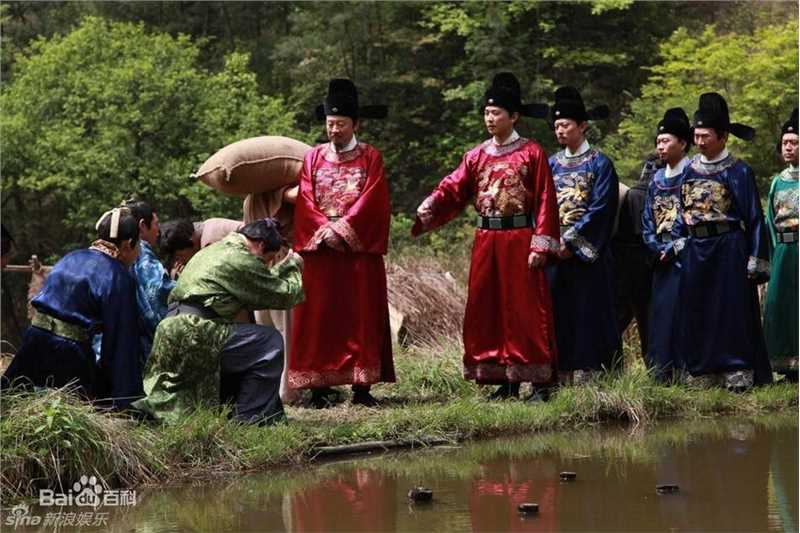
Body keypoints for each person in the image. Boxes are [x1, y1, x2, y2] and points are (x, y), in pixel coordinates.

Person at [413, 72, 559, 401]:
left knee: (525, 309)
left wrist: (540, 243)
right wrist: (432, 203)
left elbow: (547, 200)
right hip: (485, 239)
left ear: (514, 116)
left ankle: (538, 382)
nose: (490, 119)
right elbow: (455, 186)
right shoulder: (476, 155)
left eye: (496, 114)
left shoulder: (532, 153)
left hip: (520, 238)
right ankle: (503, 381)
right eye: (486, 113)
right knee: (487, 307)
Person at [288, 78, 394, 408]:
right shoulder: (313, 158)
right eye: (330, 124)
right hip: (320, 251)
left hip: (356, 250)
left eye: (341, 124)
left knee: (360, 315)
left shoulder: (370, 157)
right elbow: (305, 196)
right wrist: (323, 230)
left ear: (355, 124)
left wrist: (343, 230)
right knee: (320, 316)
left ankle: (361, 388)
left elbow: (374, 199)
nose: (334, 130)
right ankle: (319, 386)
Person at [135, 219, 304, 424]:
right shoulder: (242, 258)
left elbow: (256, 284)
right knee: (268, 342)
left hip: (169, 328)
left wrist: (280, 268)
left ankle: (227, 412)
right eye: (268, 259)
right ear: (260, 245)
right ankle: (252, 420)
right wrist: (294, 266)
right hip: (195, 330)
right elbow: (283, 294)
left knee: (172, 391)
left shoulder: (213, 250)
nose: (266, 264)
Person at [2, 207, 144, 409]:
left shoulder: (71, 257)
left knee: (11, 402)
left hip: (35, 339)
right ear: (128, 244)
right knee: (76, 411)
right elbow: (121, 342)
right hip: (69, 353)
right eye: (138, 245)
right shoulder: (119, 277)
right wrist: (123, 398)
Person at [676, 92, 771, 390]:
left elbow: (755, 218)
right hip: (695, 249)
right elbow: (680, 209)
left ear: (723, 137)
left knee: (731, 310)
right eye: (697, 135)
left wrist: (755, 259)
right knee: (696, 308)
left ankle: (737, 371)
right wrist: (680, 242)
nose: (700, 141)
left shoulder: (738, 171)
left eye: (706, 135)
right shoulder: (688, 169)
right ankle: (701, 370)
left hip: (728, 246)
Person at [547, 86, 621, 384]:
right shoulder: (550, 164)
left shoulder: (600, 164)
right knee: (557, 312)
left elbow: (602, 208)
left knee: (590, 311)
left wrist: (572, 241)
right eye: (556, 126)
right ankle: (558, 373)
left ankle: (595, 373)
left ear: (583, 126)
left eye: (565, 125)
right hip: (555, 250)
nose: (560, 131)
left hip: (588, 252)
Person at [641, 108, 692, 381]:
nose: (660, 146)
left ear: (683, 143)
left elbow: (695, 218)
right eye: (658, 142)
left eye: (666, 141)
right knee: (659, 313)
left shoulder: (693, 173)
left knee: (683, 311)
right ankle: (661, 372)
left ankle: (687, 370)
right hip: (660, 256)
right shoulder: (656, 180)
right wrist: (654, 245)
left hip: (685, 256)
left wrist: (675, 247)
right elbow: (648, 218)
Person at [93, 199, 174, 363]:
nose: (159, 231)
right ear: (142, 226)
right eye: (156, 224)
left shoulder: (98, 256)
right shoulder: (139, 251)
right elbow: (156, 295)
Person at [613, 153, 660, 360]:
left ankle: (608, 364)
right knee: (645, 317)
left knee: (626, 317)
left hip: (627, 263)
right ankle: (655, 365)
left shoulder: (631, 193)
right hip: (640, 262)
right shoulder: (637, 194)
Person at [763, 108, 798, 382]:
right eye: (786, 143)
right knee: (780, 304)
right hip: (783, 251)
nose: (789, 147)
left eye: (795, 142)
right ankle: (787, 366)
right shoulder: (777, 181)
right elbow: (769, 222)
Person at [158, 218, 244, 277]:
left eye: (180, 256)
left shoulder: (209, 244)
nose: (180, 262)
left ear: (191, 241)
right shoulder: (204, 227)